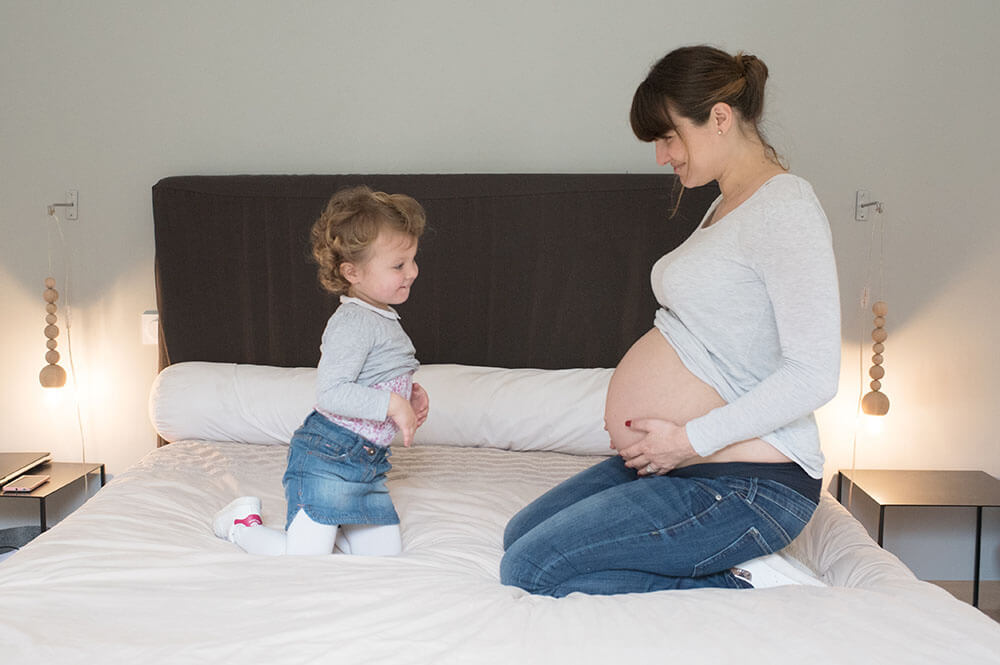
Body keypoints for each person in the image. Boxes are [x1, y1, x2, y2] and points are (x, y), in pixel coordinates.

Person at [500, 45, 841, 595]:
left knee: (529, 569)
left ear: (721, 119)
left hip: (750, 483)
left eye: (669, 137)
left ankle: (747, 582)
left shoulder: (787, 207)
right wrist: (677, 446)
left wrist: (689, 439)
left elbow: (815, 374)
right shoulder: (725, 203)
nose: (662, 157)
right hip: (683, 462)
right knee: (520, 535)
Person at [212, 185, 429, 556]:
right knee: (305, 560)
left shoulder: (382, 316)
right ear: (352, 272)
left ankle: (335, 526)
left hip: (368, 466)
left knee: (385, 558)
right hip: (328, 459)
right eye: (398, 265)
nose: (412, 272)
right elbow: (331, 392)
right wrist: (393, 404)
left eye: (412, 260)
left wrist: (410, 392)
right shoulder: (352, 322)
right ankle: (239, 525)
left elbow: (375, 375)